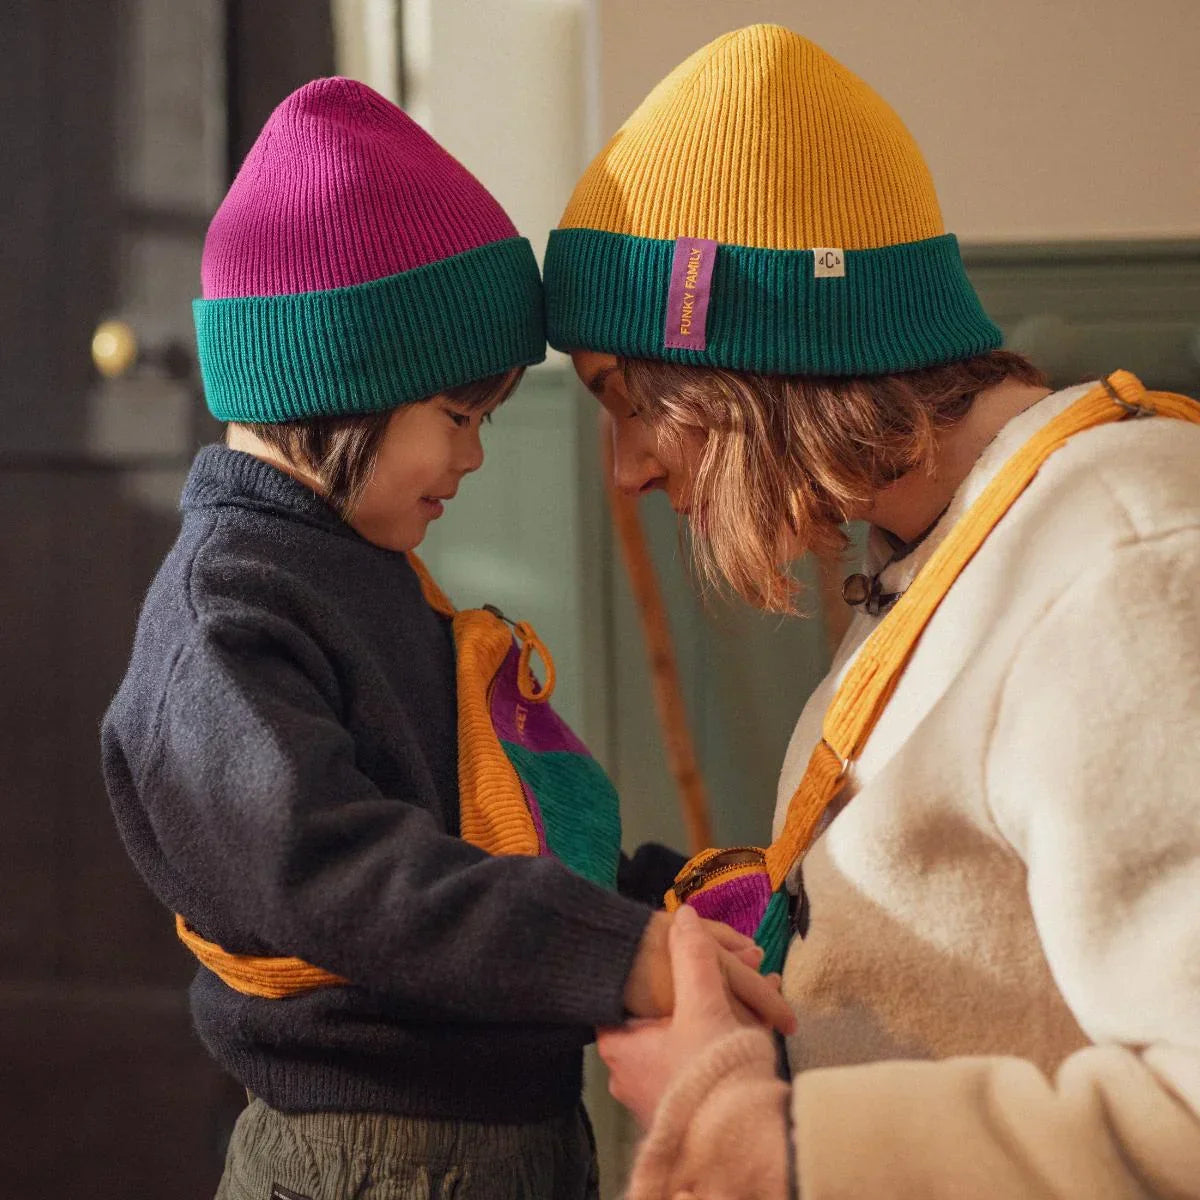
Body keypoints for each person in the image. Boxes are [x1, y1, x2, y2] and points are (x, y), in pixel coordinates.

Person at [101, 77, 791, 1200]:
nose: (472, 458)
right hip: (374, 1157)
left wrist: (664, 905)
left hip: (507, 1137)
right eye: (460, 417)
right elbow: (340, 871)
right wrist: (616, 954)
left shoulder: (362, 572)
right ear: (341, 384)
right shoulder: (222, 620)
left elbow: (489, 840)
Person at [542, 24, 1200, 1199]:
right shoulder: (948, 550)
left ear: (742, 356)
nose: (628, 468)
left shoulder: (1119, 562)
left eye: (627, 398)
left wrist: (753, 1131)